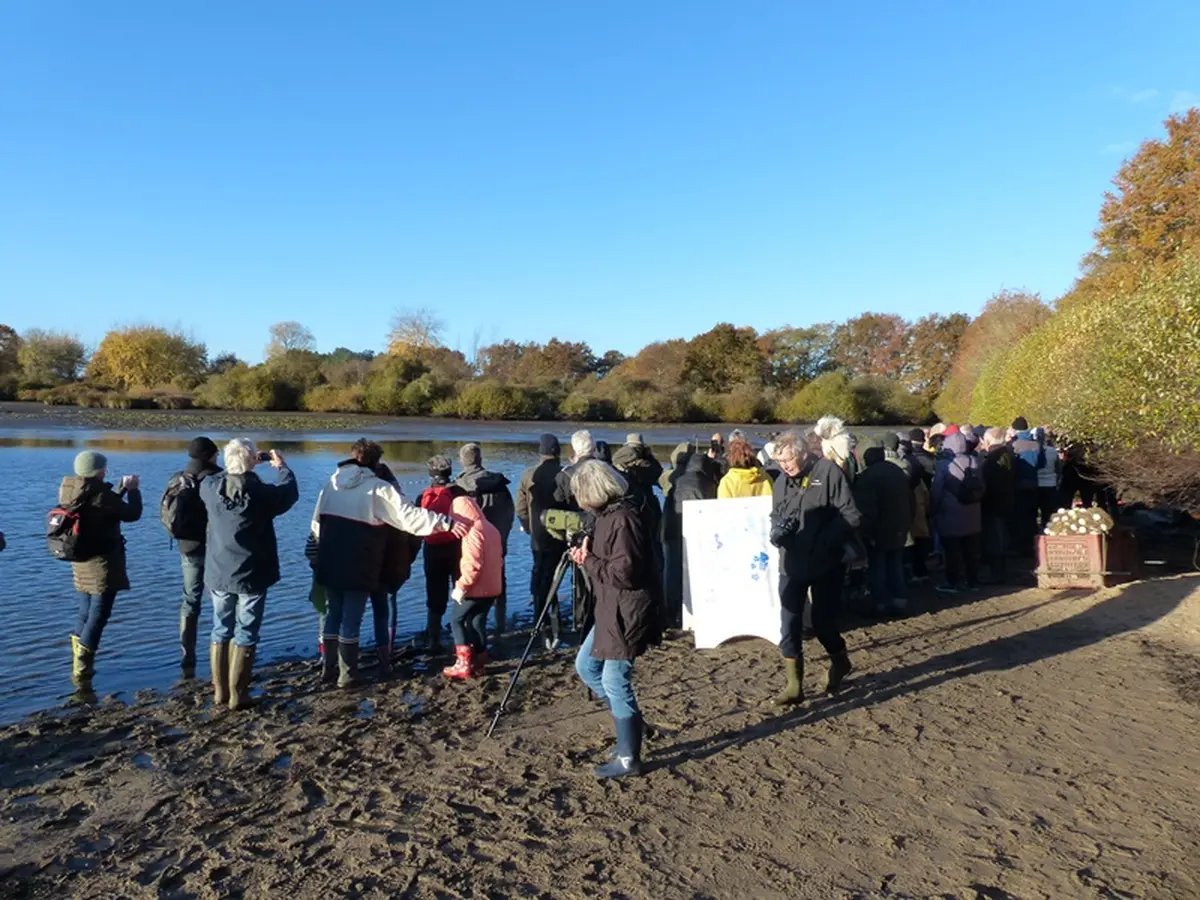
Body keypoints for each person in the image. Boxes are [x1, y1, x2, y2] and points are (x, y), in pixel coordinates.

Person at [311, 440, 464, 687]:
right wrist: (444, 522)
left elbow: (316, 525)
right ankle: (347, 674)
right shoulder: (378, 488)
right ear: (376, 461)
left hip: (330, 557)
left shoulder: (331, 484)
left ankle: (328, 669)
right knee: (351, 618)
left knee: (333, 614)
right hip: (358, 561)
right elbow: (408, 517)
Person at [570, 461, 660, 779]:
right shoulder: (607, 516)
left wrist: (589, 560)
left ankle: (629, 757)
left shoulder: (624, 519)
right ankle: (632, 726)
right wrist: (589, 556)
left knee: (614, 679)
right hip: (612, 606)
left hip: (628, 609)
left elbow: (624, 572)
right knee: (586, 666)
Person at [200, 440, 298, 710]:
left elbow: (222, 476)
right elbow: (288, 493)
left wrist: (242, 462)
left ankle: (220, 691)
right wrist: (281, 467)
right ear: (252, 461)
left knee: (221, 627)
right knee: (247, 630)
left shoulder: (209, 488)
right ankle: (238, 693)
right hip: (253, 572)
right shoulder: (261, 493)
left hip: (220, 569)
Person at [768, 431, 861, 706]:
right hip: (791, 563)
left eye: (788, 460)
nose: (785, 466)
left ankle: (840, 661)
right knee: (789, 623)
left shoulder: (828, 472)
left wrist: (825, 542)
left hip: (826, 562)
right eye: (780, 462)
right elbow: (776, 514)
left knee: (823, 623)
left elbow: (851, 515)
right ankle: (794, 685)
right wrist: (778, 531)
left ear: (804, 453)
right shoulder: (781, 482)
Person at [59, 450, 143, 683]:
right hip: (102, 561)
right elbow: (131, 513)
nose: (106, 470)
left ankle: (78, 656)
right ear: (97, 470)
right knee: (100, 613)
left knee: (85, 609)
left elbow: (104, 505)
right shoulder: (98, 494)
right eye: (103, 467)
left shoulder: (72, 487)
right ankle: (83, 665)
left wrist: (120, 488)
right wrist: (134, 490)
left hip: (80, 558)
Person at [162, 436, 221, 679]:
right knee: (221, 598)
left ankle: (188, 654)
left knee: (190, 600)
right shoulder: (216, 478)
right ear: (209, 455)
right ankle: (221, 650)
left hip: (187, 546)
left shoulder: (178, 477)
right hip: (215, 546)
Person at [454, 443, 515, 633]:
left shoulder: (461, 486)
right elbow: (509, 513)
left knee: (471, 581)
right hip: (498, 541)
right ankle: (500, 621)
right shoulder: (499, 483)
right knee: (498, 581)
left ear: (462, 461)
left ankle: (471, 623)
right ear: (480, 459)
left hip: (472, 544)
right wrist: (503, 536)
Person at [442, 495, 504, 681]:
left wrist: (461, 587)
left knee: (456, 620)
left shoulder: (473, 531)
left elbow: (473, 564)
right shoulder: (491, 528)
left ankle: (463, 664)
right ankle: (479, 661)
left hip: (476, 587)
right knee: (478, 622)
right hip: (493, 586)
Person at [515, 434, 569, 644]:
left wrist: (530, 528)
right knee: (555, 578)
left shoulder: (529, 475)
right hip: (562, 536)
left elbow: (520, 507)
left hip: (538, 537)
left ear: (540, 452)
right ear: (558, 452)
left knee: (540, 577)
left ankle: (540, 621)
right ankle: (555, 624)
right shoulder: (565, 475)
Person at [660, 443, 719, 628]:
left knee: (672, 575)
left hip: (673, 530)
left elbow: (669, 504)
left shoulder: (676, 479)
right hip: (695, 534)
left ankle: (670, 615)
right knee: (695, 574)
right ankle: (695, 614)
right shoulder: (707, 482)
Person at [853, 443, 914, 616]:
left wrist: (866, 531)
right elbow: (911, 500)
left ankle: (881, 602)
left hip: (879, 529)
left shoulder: (868, 477)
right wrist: (908, 522)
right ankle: (900, 600)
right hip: (900, 526)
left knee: (878, 567)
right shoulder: (898, 472)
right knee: (895, 565)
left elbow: (867, 508)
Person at [418, 456, 466, 652]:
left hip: (432, 550)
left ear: (431, 473)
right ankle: (462, 636)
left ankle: (433, 639)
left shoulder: (423, 495)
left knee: (434, 595)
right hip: (456, 548)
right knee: (461, 591)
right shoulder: (459, 493)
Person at [932, 431, 985, 594]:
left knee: (952, 551)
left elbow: (937, 491)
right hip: (973, 513)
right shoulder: (974, 461)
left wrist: (932, 508)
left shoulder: (943, 465)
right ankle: (973, 581)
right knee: (971, 551)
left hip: (951, 514)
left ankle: (953, 582)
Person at [979, 427, 1015, 584]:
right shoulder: (1010, 455)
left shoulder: (991, 461)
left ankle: (997, 574)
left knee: (995, 538)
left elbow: (986, 485)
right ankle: (1001, 570)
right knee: (1003, 535)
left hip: (992, 504)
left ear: (987, 441)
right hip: (1008, 500)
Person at [1009, 417, 1045, 556]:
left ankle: (1019, 547)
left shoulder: (1014, 445)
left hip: (1018, 484)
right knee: (1031, 515)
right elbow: (1041, 464)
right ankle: (1031, 545)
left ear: (1016, 429)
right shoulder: (1036, 444)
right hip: (1033, 483)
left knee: (1018, 516)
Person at [1034, 427, 1062, 531]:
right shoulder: (1053, 451)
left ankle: (1037, 531)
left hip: (1036, 485)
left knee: (1035, 512)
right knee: (1048, 512)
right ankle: (1048, 530)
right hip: (1050, 484)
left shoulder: (1032, 451)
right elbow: (1058, 469)